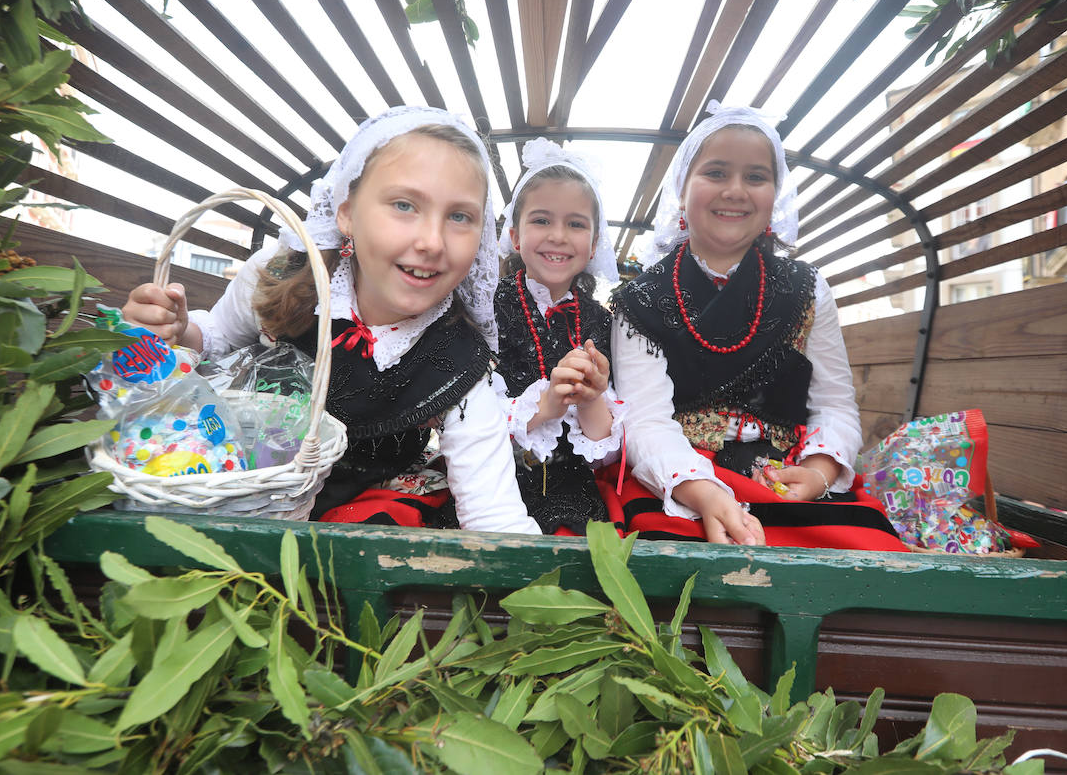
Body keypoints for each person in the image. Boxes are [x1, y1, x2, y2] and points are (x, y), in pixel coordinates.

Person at [122, 106, 541, 535]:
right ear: (346, 213)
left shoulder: (460, 364)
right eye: (403, 204)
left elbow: (493, 515)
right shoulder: (280, 276)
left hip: (356, 522)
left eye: (459, 217)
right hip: (240, 493)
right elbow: (215, 339)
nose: (431, 242)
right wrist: (177, 329)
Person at [604, 101, 906, 550]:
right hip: (683, 479)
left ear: (775, 194)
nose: (735, 191)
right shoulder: (640, 301)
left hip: (787, 475)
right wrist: (705, 493)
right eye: (716, 173)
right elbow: (646, 423)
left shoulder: (807, 288)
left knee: (870, 552)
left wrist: (819, 473)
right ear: (683, 189)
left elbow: (835, 404)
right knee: (662, 553)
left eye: (756, 177)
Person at [493, 139, 626, 535]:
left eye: (576, 223)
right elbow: (469, 416)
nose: (558, 236)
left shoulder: (600, 321)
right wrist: (547, 404)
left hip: (573, 487)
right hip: (493, 479)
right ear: (515, 236)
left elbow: (603, 445)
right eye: (541, 220)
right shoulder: (488, 307)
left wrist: (591, 397)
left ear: (594, 242)